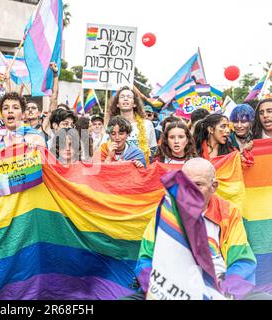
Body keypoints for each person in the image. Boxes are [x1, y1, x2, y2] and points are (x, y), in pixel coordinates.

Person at [134, 158, 258, 300]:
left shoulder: (228, 212)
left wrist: (225, 291)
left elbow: (242, 260)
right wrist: (160, 289)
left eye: (198, 184)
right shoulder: (167, 210)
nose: (191, 191)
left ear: (214, 186)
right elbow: (145, 259)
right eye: (186, 184)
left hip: (218, 288)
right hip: (172, 289)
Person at [0, 92, 46, 160]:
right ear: (1, 114)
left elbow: (45, 165)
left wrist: (36, 151)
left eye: (15, 108)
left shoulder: (36, 138)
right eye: (6, 108)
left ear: (23, 114)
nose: (10, 111)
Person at [107, 86, 157, 164]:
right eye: (122, 97)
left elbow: (153, 151)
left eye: (129, 97)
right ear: (117, 104)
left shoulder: (147, 124)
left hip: (141, 170)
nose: (125, 99)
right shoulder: (110, 126)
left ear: (134, 104)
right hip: (116, 170)